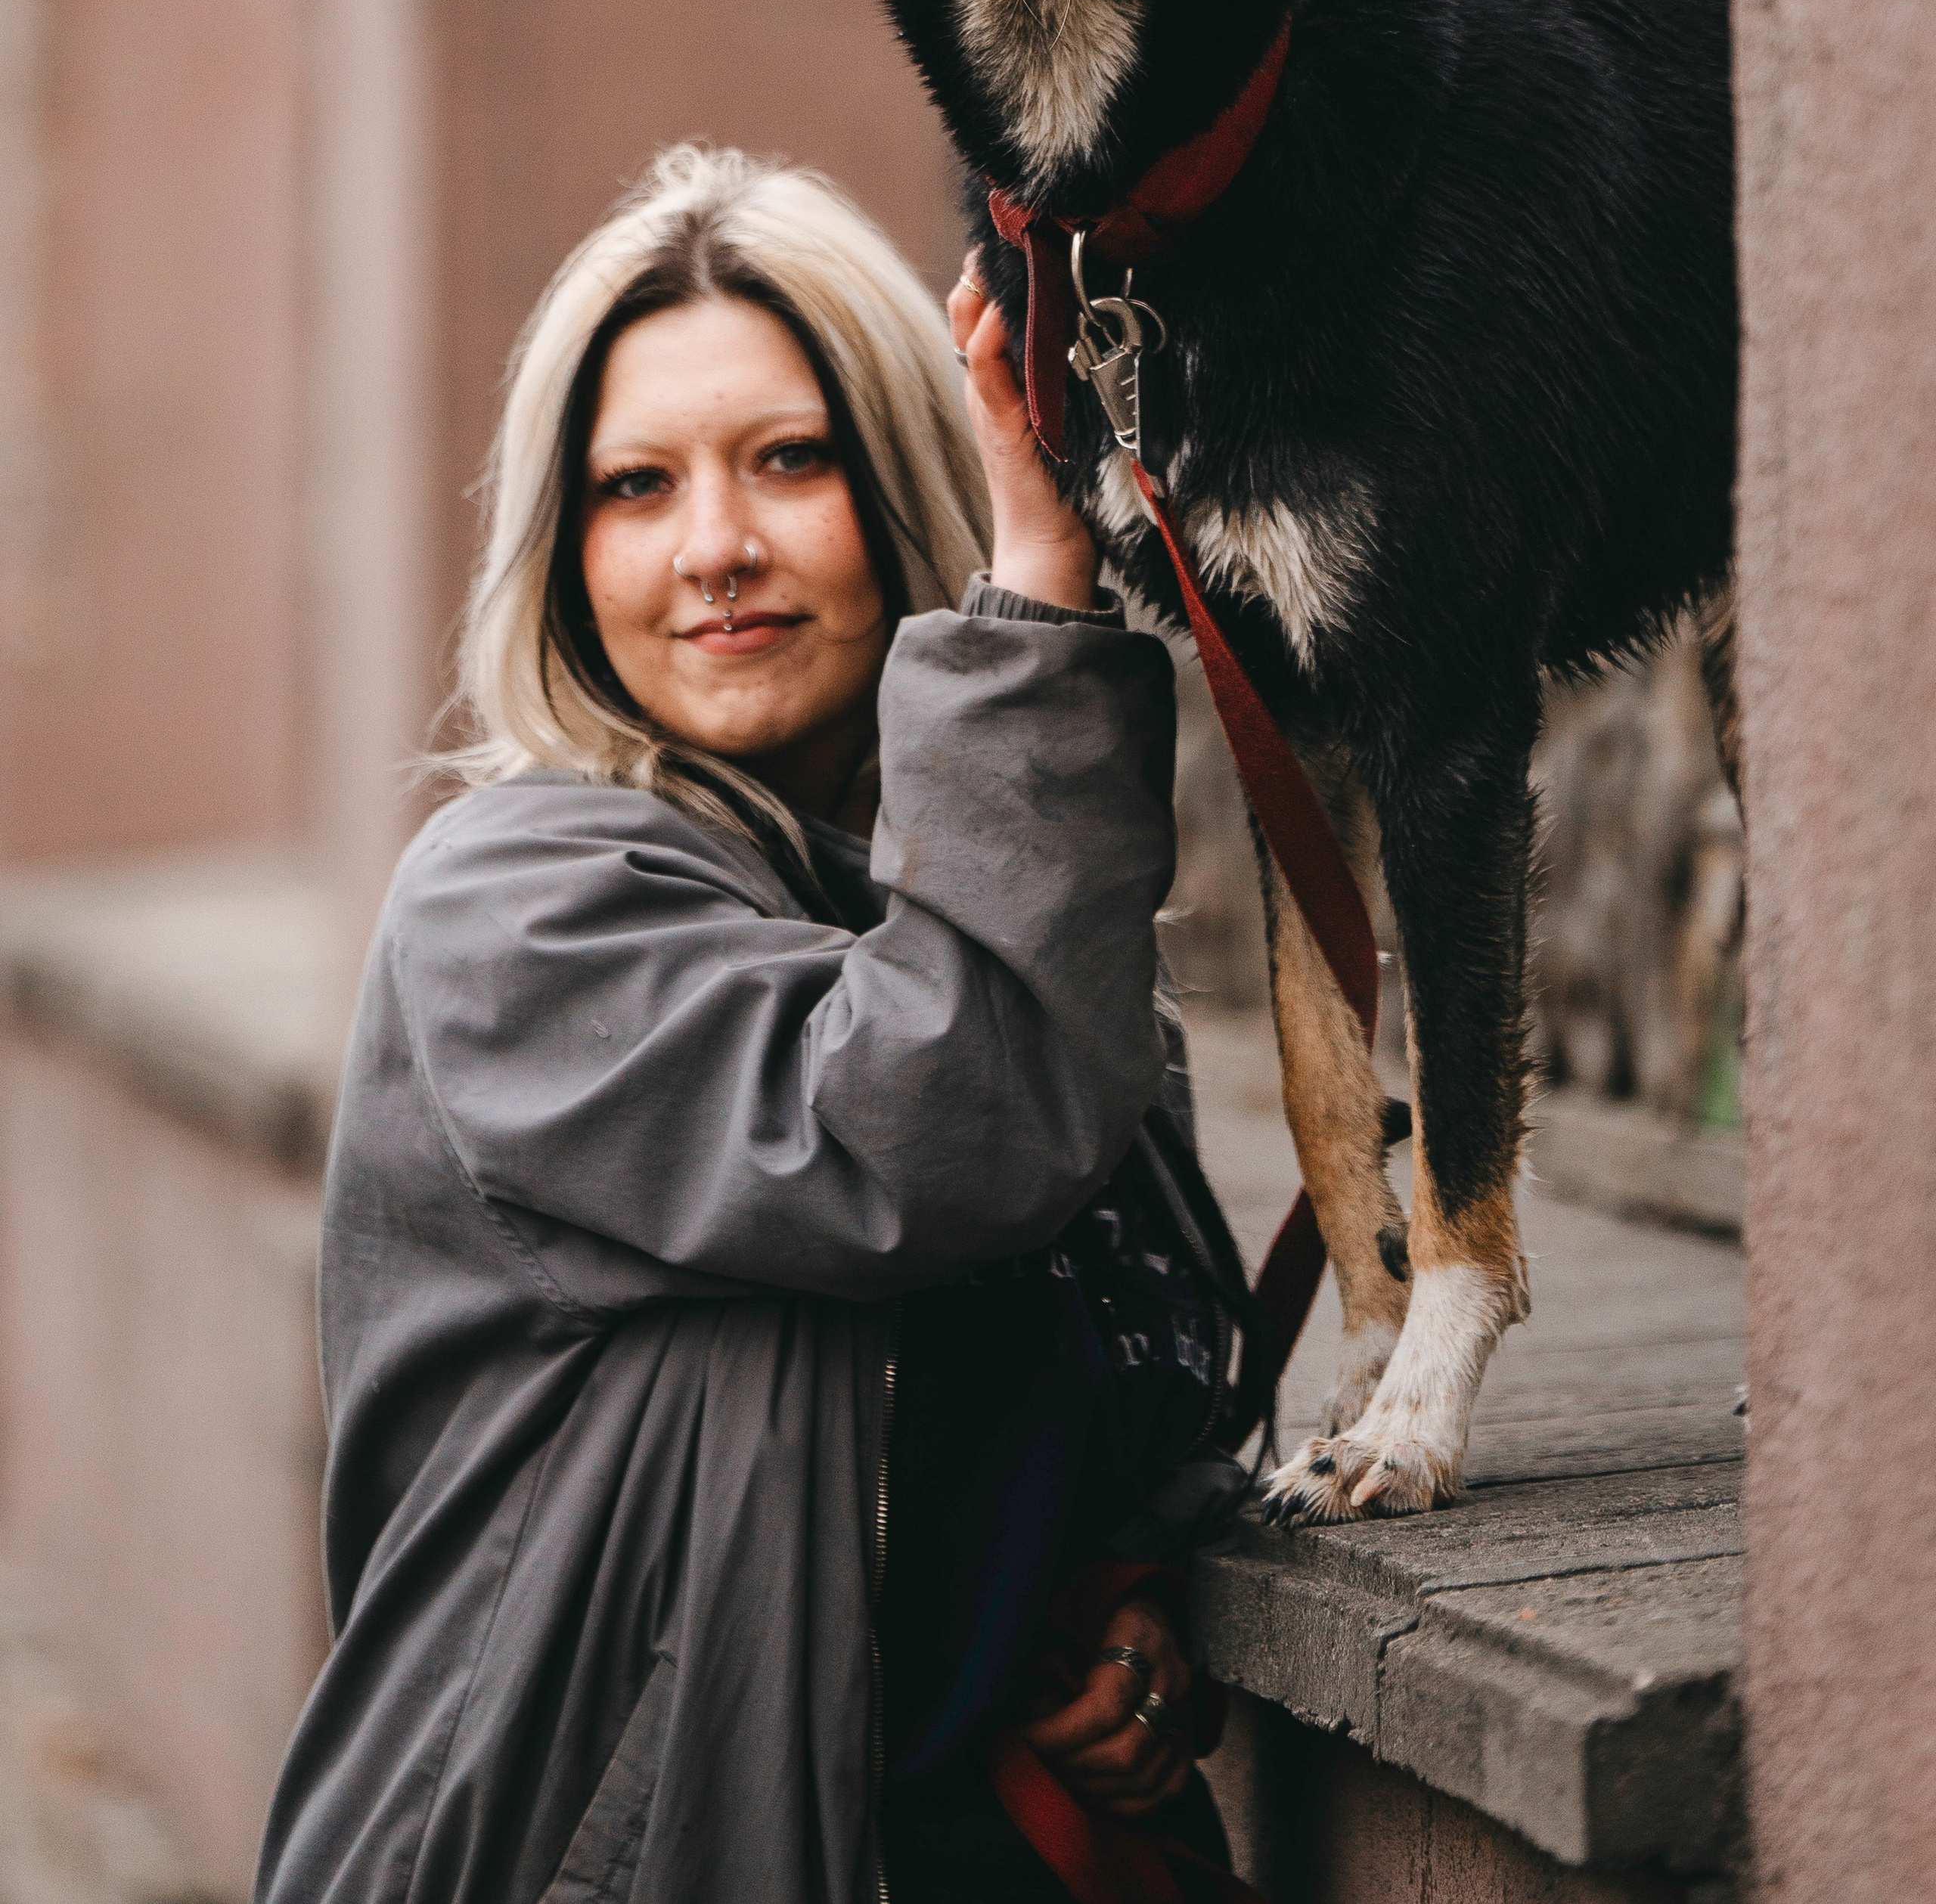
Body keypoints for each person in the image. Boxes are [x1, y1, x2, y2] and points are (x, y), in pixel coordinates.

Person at [252, 143, 1254, 1904]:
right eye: (633, 485)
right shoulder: (515, 909)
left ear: (903, 472)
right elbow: (931, 1128)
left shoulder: (964, 886)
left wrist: (1113, 1605)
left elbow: (1112, 1339)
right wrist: (1034, 595)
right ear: (564, 554)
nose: (713, 548)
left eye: (789, 459)